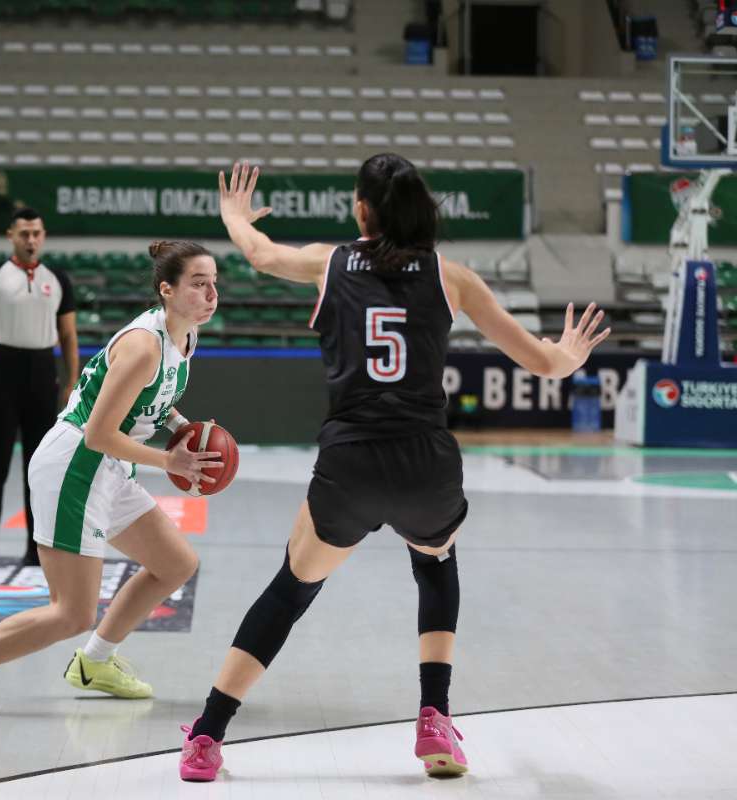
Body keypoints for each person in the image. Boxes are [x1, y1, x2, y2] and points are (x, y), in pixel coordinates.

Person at [176, 157, 612, 782]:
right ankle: (435, 715)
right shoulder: (451, 277)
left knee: (291, 588)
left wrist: (234, 218)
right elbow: (543, 363)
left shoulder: (330, 262)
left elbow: (262, 254)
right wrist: (568, 355)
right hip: (424, 463)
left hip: (350, 461)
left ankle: (208, 735)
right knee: (436, 562)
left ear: (362, 212)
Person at [0, 240, 224, 721]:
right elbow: (100, 433)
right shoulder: (145, 345)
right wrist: (172, 463)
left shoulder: (186, 337)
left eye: (214, 283)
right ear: (167, 289)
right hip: (75, 464)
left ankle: (94, 662)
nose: (211, 294)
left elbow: (152, 402)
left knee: (175, 564)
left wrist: (183, 428)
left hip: (109, 468)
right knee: (71, 612)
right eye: (198, 283)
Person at [0, 207, 78, 569]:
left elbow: (68, 334)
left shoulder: (57, 278)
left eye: (36, 233)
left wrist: (72, 380)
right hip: (2, 369)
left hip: (42, 371)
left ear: (43, 236)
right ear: (10, 235)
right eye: (24, 233)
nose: (31, 239)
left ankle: (36, 549)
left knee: (39, 467)